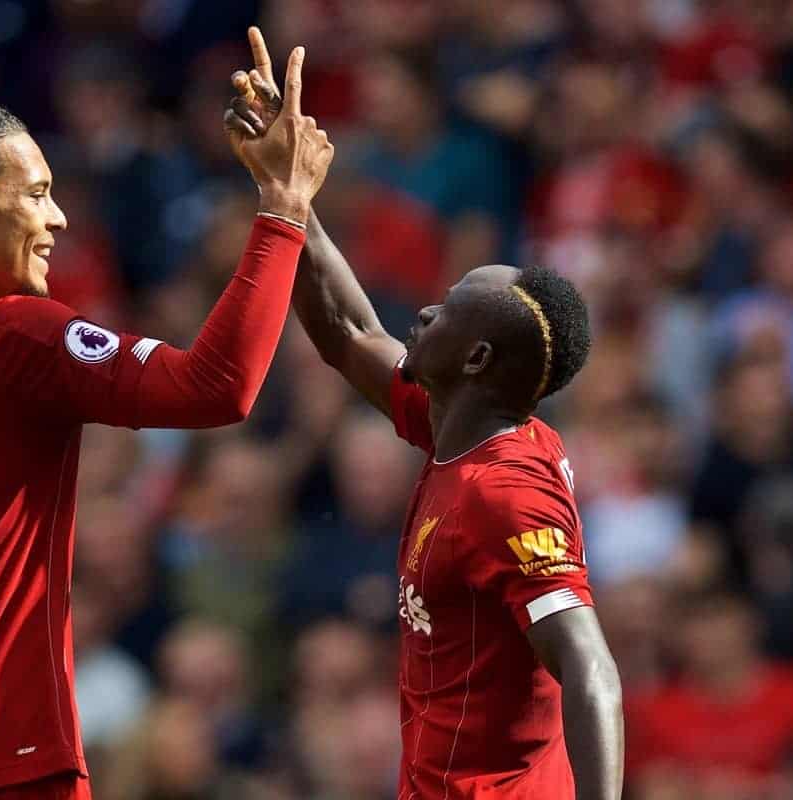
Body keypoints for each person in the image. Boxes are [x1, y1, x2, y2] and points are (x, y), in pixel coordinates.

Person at [0, 47, 332, 800]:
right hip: (4, 764)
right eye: (35, 194)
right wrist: (283, 206)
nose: (57, 217)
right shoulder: (8, 337)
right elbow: (217, 386)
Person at [225, 28, 624, 800]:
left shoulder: (505, 489)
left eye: (450, 309)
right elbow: (346, 332)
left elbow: (592, 668)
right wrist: (287, 193)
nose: (428, 307)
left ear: (475, 360)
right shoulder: (456, 421)